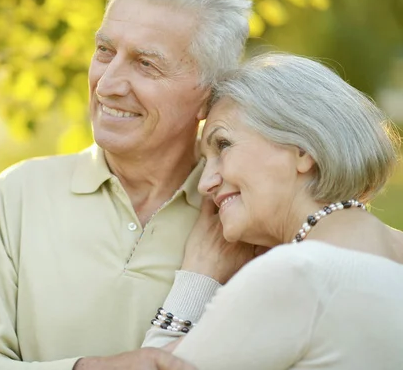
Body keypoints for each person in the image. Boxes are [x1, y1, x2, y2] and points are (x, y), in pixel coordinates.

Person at [0, 0, 252, 369]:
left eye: (146, 63)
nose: (107, 84)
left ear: (210, 96)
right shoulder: (18, 195)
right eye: (105, 50)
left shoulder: (241, 215)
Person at [141, 53, 403, 369]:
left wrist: (198, 275)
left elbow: (154, 366)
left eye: (223, 145)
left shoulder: (295, 274)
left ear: (304, 148)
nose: (205, 184)